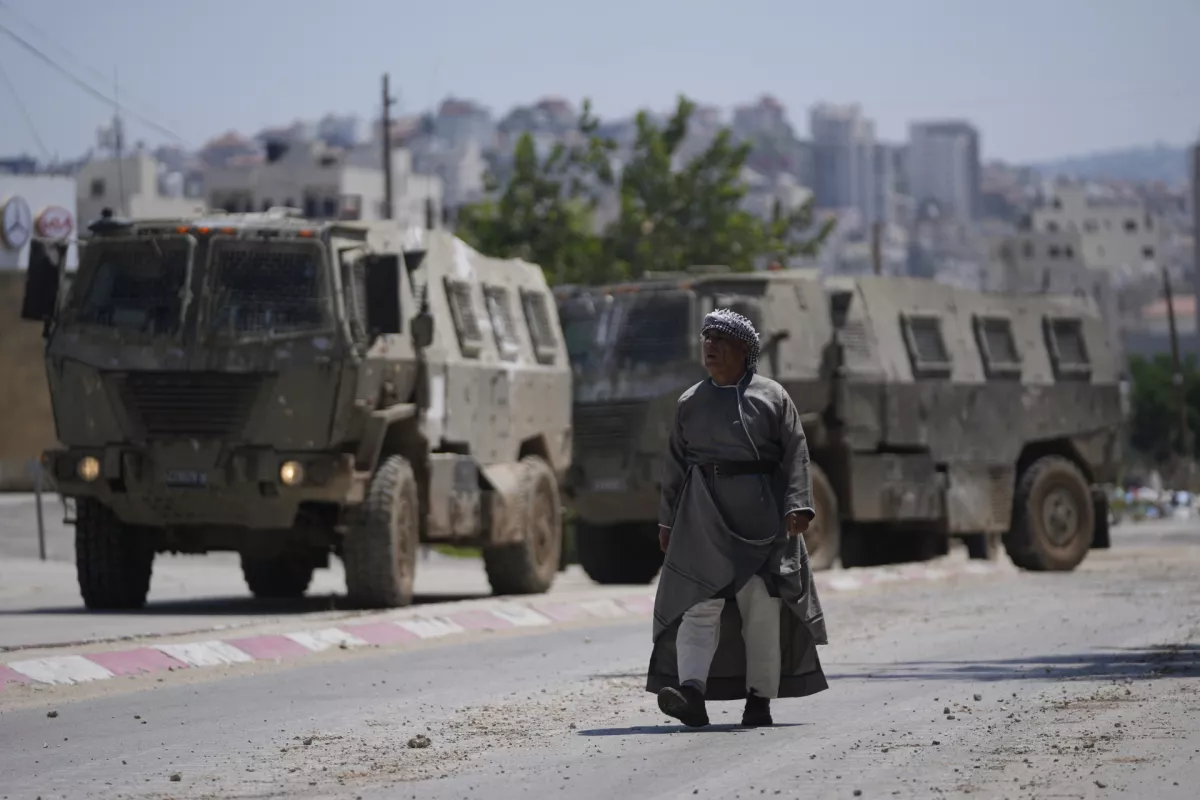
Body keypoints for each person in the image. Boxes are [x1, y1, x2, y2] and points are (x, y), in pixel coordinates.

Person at [646, 308, 828, 728]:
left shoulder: (773, 397)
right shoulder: (689, 402)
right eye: (707, 339)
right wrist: (667, 522)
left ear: (745, 350)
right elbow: (674, 466)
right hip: (701, 517)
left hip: (762, 519)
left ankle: (759, 700)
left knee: (760, 610)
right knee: (698, 604)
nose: (710, 347)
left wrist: (797, 504)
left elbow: (796, 454)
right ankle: (690, 692)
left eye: (721, 340)